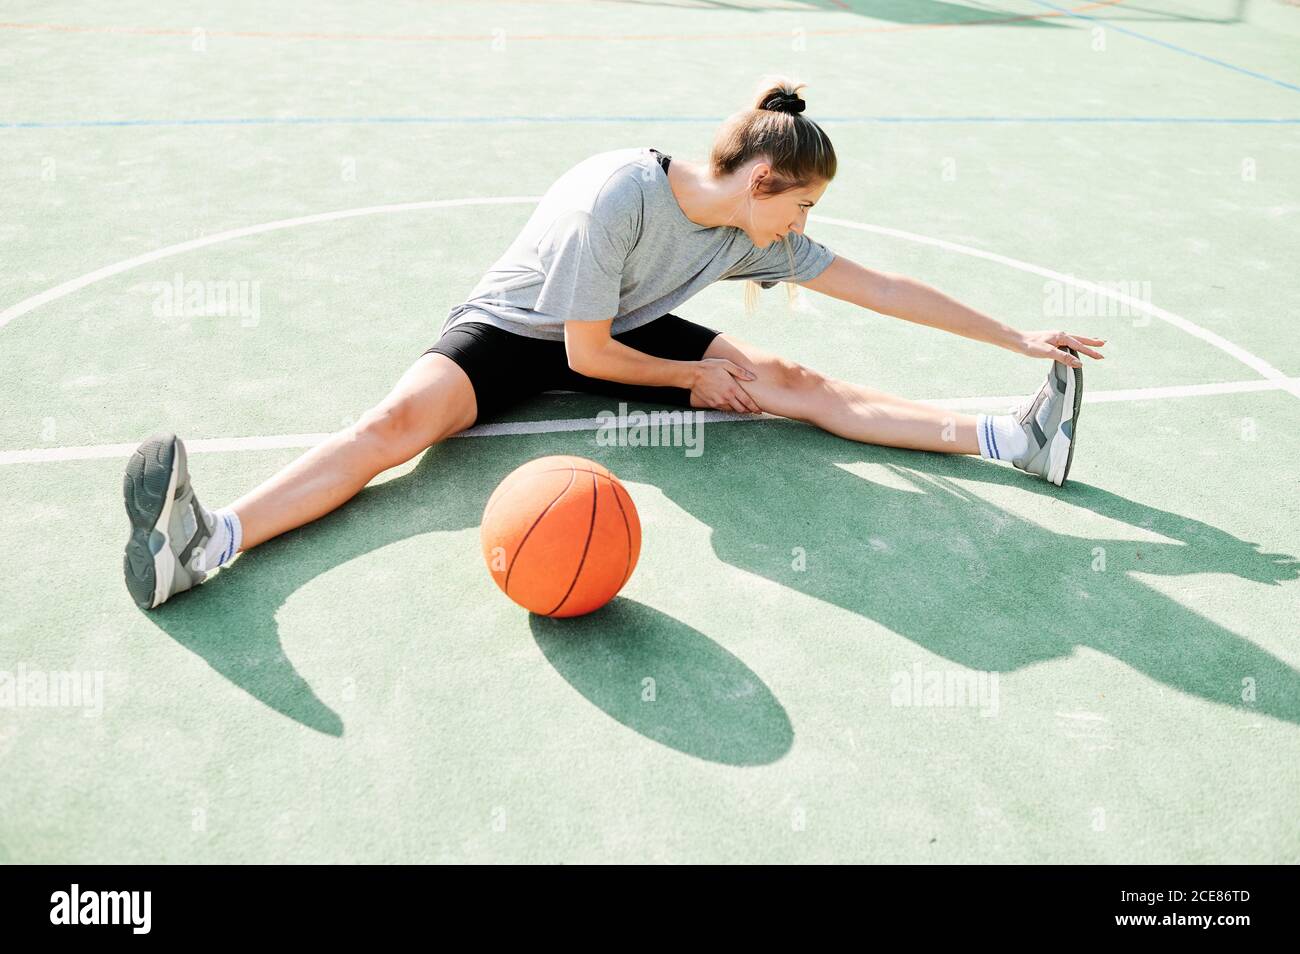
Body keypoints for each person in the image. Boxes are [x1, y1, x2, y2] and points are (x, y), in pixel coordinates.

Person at [122, 75, 1106, 611]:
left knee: (796, 378)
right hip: (518, 331)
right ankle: (206, 546)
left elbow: (880, 286)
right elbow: (583, 357)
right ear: (760, 179)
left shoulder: (745, 231)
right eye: (802, 202)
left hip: (619, 327)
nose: (805, 224)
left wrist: (1016, 335)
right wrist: (698, 373)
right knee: (394, 429)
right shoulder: (618, 197)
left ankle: (1013, 440)